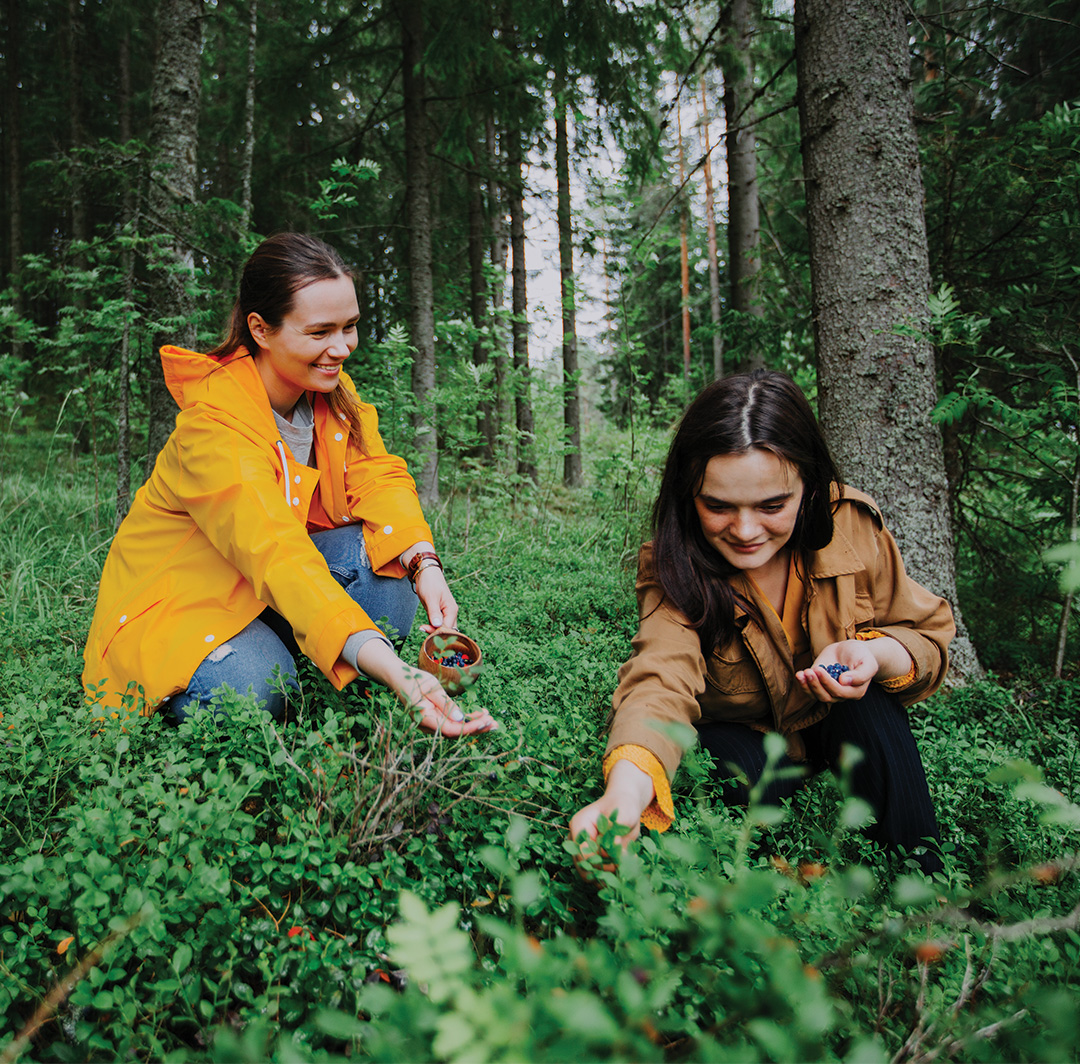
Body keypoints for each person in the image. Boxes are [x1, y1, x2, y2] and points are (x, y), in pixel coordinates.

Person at [83, 233, 496, 738]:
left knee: (390, 573)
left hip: (260, 588)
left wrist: (423, 562)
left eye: (350, 327)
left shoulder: (327, 391)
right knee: (261, 690)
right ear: (261, 328)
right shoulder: (214, 425)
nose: (341, 348)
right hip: (183, 604)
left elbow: (378, 474)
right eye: (320, 331)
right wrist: (393, 669)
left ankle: (316, 647)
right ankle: (236, 669)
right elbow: (274, 548)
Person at [569, 370, 954, 874]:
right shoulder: (674, 563)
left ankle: (924, 885)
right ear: (689, 493)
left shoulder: (853, 524)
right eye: (718, 506)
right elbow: (658, 681)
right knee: (714, 765)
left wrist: (875, 654)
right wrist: (623, 793)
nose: (746, 531)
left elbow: (927, 633)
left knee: (874, 709)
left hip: (840, 723)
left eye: (773, 505)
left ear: (809, 486)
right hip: (745, 739)